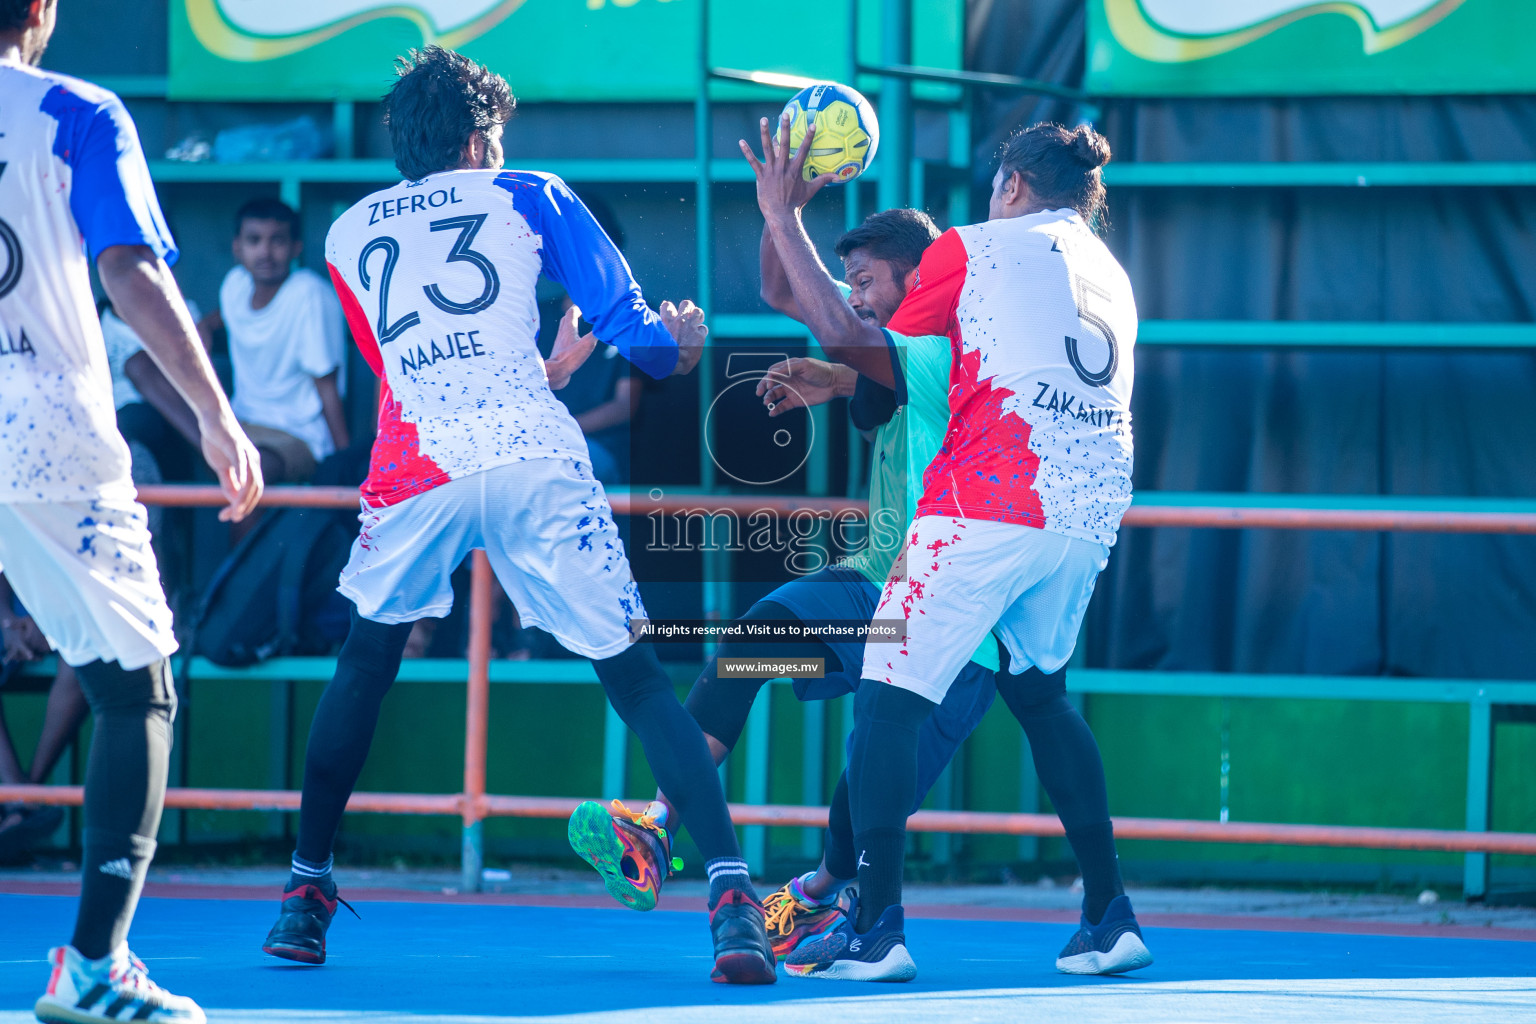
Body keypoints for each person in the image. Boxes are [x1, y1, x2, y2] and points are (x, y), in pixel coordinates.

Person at [259, 45, 777, 985]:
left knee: (365, 665)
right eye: (493, 139)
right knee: (638, 679)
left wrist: (546, 368)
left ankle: (303, 894)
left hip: (418, 464)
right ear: (474, 138)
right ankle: (735, 903)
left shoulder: (344, 234)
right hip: (534, 455)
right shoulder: (530, 190)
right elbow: (643, 344)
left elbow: (407, 375)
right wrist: (685, 343)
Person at [568, 190, 1039, 966]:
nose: (855, 296)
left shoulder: (952, 351)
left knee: (867, 791)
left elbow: (838, 330)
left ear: (919, 280)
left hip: (954, 616)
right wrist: (784, 213)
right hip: (870, 591)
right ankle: (655, 828)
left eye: (866, 280)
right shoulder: (891, 358)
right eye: (849, 280)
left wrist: (785, 215)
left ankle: (818, 897)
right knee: (753, 643)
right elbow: (783, 294)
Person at [743, 114, 1148, 981]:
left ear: (1011, 185)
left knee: (887, 699)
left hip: (989, 499)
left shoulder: (975, 248)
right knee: (1040, 695)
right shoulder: (1112, 273)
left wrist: (781, 216)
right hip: (1085, 507)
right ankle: (1109, 914)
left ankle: (877, 932)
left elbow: (858, 339)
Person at [0, 3, 264, 1021]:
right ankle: (96, 963)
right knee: (136, 687)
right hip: (49, 434)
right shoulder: (75, 111)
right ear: (42, 10)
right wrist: (214, 412)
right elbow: (128, 268)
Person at [201, 198, 349, 483]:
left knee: (246, 474)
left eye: (277, 241)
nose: (265, 252)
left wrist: (343, 463)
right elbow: (224, 316)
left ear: (296, 247)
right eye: (254, 240)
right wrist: (203, 327)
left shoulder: (309, 295)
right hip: (242, 423)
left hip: (298, 435)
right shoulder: (235, 285)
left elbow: (327, 386)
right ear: (237, 247)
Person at [0, 573, 86, 862]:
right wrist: (7, 623)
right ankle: (20, 800)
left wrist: (52, 622)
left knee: (84, 664)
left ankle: (22, 802)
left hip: (75, 622)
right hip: (13, 621)